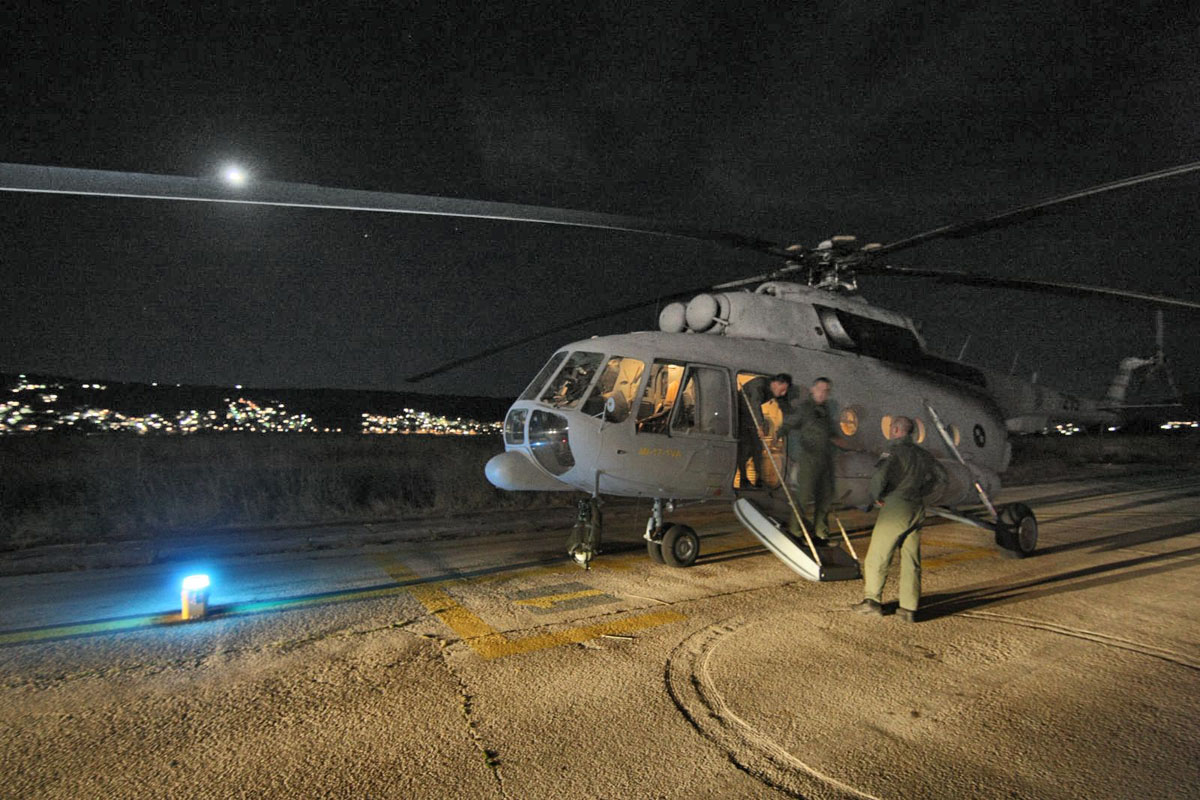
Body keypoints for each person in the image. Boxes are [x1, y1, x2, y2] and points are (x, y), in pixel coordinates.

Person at [854, 416, 940, 622]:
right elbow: (940, 477)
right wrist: (923, 491)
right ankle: (909, 608)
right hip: (916, 507)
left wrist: (876, 497)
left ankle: (872, 601)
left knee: (877, 555)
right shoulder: (923, 454)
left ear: (896, 430)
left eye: (891, 427)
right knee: (911, 560)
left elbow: (879, 476)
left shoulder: (893, 451)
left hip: (895, 507)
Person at [780, 377, 843, 544]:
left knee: (826, 497)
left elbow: (831, 433)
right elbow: (789, 424)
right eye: (820, 389)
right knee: (804, 495)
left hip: (826, 459)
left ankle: (821, 533)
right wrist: (776, 434)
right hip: (809, 457)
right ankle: (795, 531)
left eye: (826, 391)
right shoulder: (805, 408)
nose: (822, 393)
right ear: (812, 389)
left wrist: (843, 443)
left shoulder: (826, 410)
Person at [736, 373, 795, 488]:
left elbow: (783, 404)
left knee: (757, 448)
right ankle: (743, 480)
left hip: (751, 418)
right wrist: (760, 425)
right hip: (741, 416)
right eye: (782, 390)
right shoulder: (758, 385)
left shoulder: (771, 390)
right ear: (776, 384)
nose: (783, 393)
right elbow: (755, 404)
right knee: (745, 448)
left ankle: (759, 479)